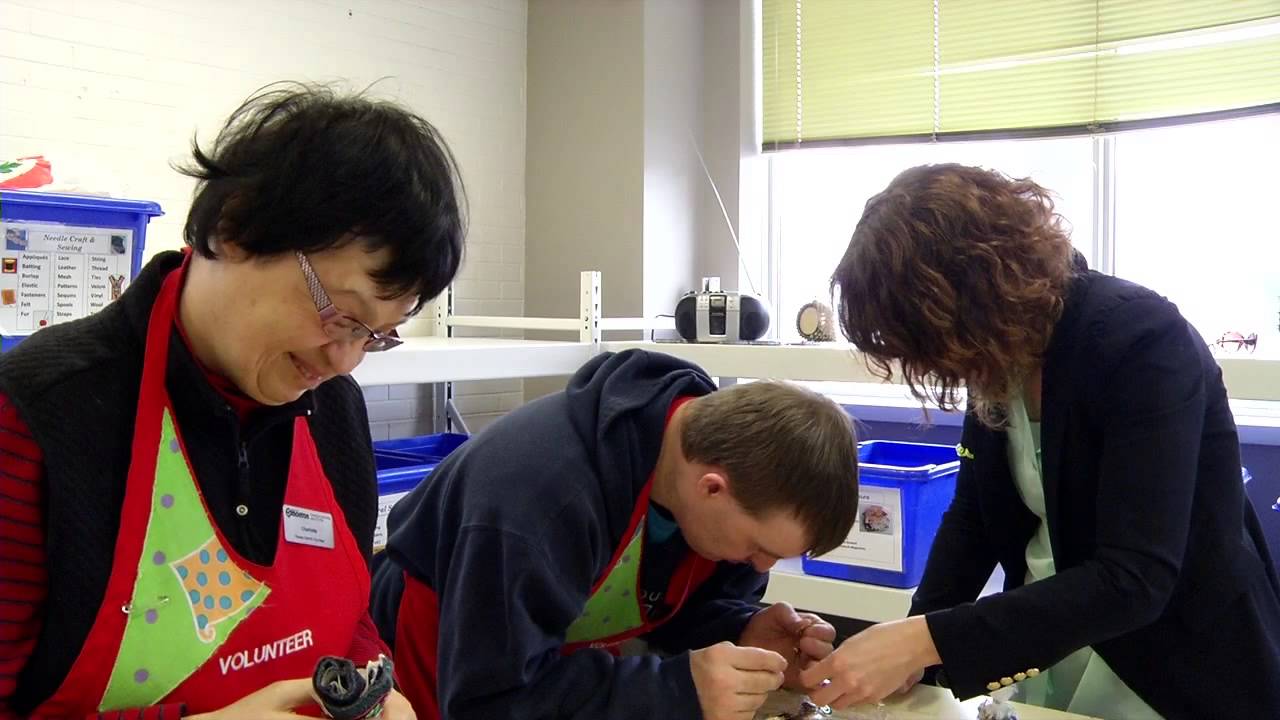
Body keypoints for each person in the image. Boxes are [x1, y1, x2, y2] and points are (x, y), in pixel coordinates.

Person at [0, 83, 465, 719]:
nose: (343, 360)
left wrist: (374, 693)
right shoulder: (37, 415)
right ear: (235, 226)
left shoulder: (335, 412)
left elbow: (348, 624)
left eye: (375, 335)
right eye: (339, 313)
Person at [801, 164, 1280, 719]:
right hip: (1057, 642)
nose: (931, 363)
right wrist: (914, 647)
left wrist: (926, 640)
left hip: (1179, 662)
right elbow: (975, 517)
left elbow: (1136, 576)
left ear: (975, 292)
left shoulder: (1141, 340)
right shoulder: (1000, 352)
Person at [370, 350, 861, 720]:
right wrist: (676, 691)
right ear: (712, 488)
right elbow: (491, 700)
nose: (760, 567)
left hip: (560, 658)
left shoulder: (711, 465)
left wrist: (738, 630)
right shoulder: (539, 501)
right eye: (760, 548)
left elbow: (664, 605)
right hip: (447, 656)